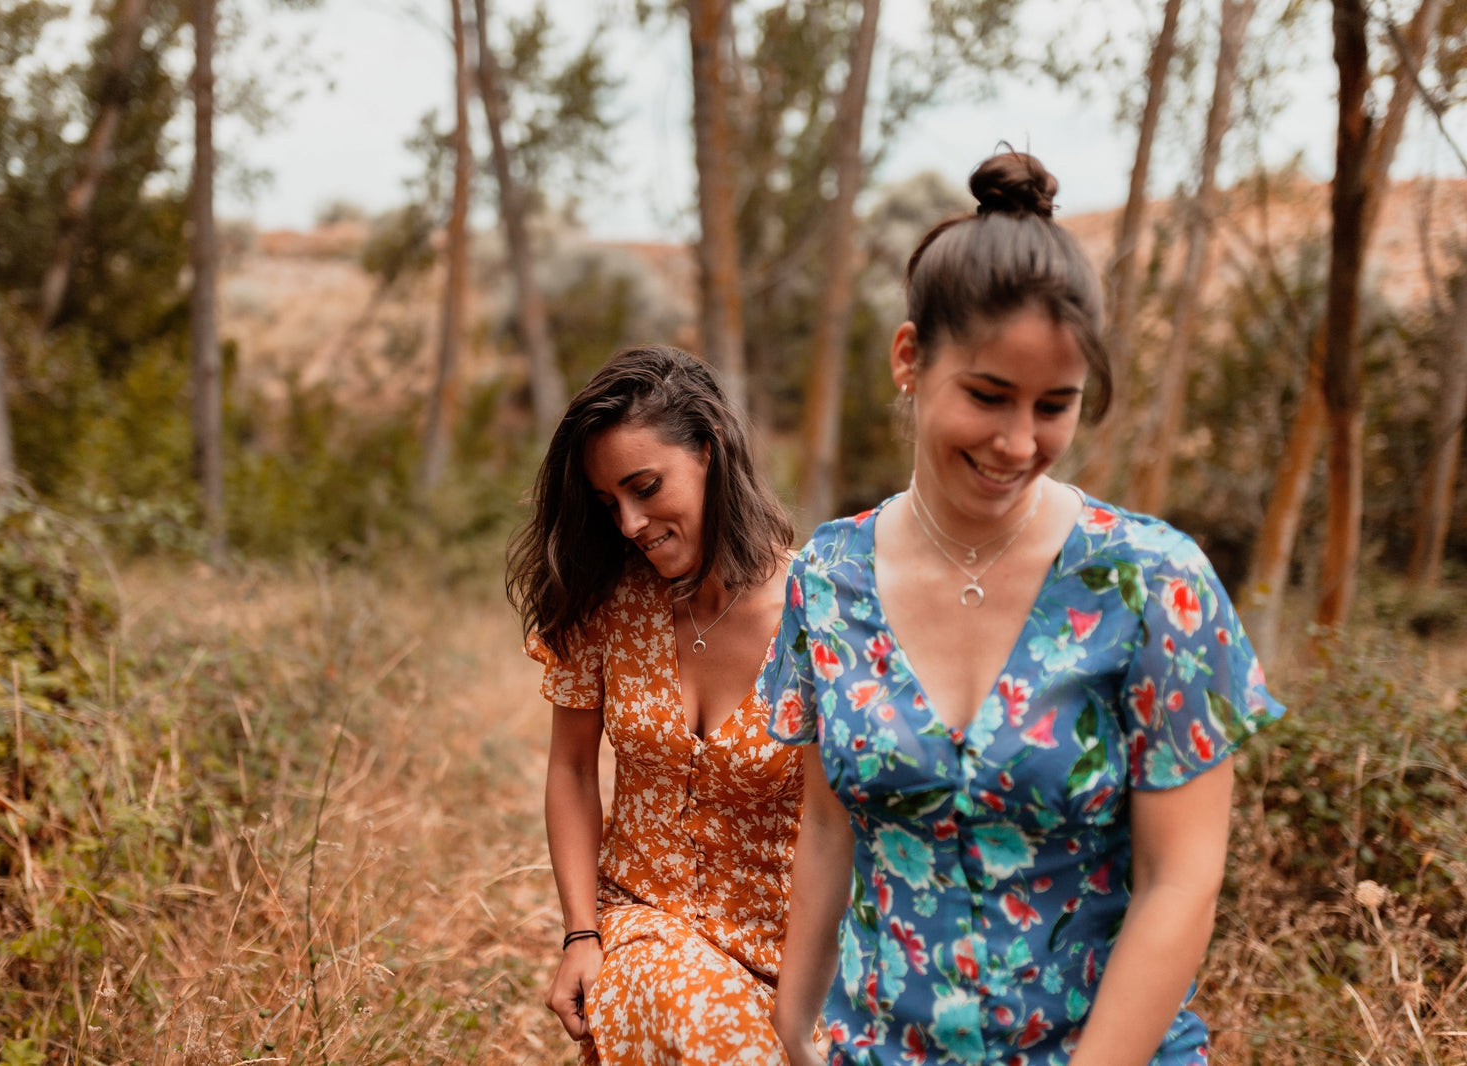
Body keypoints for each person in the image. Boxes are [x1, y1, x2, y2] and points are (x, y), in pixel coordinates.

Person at [759, 152, 1285, 1066]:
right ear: (910, 358)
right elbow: (826, 824)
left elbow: (1182, 879)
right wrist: (795, 1025)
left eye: (1056, 406)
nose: (1017, 442)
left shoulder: (1153, 582)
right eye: (989, 396)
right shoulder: (827, 580)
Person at [507, 344, 803, 1066]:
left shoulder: (818, 614)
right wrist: (582, 934)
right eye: (610, 504)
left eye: (645, 487)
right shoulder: (605, 607)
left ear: (709, 450)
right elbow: (573, 771)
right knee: (710, 1029)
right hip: (641, 930)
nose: (630, 523)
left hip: (793, 955)